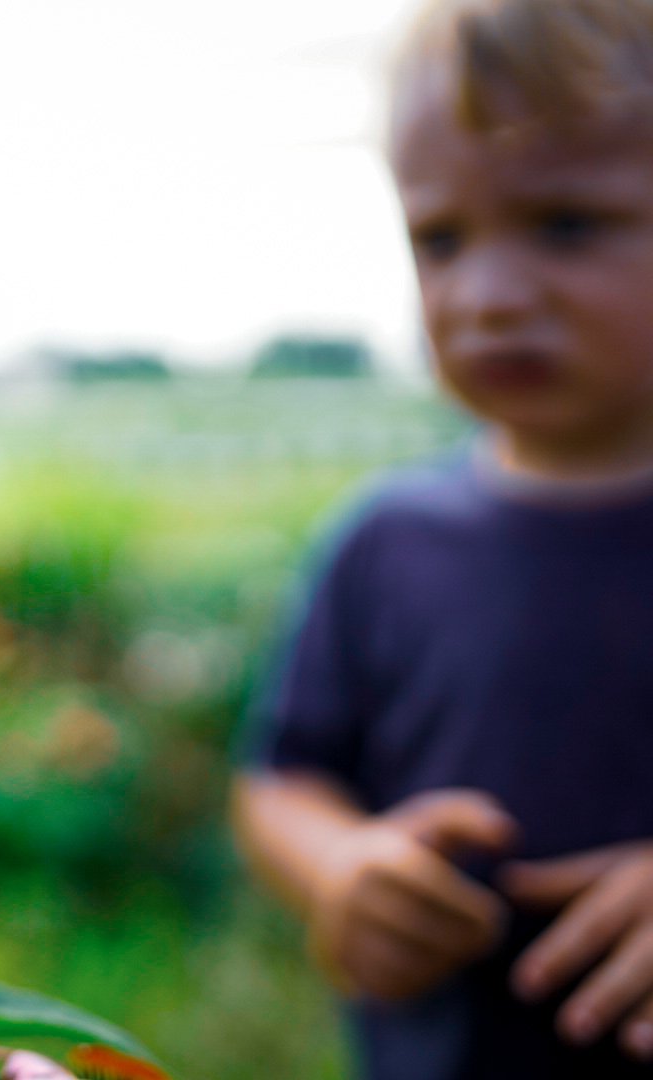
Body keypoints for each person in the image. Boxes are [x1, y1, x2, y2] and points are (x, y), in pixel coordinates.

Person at [232, 1, 653, 1077]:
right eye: (439, 238)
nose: (487, 296)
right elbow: (282, 777)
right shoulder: (387, 541)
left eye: (565, 222)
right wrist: (342, 869)